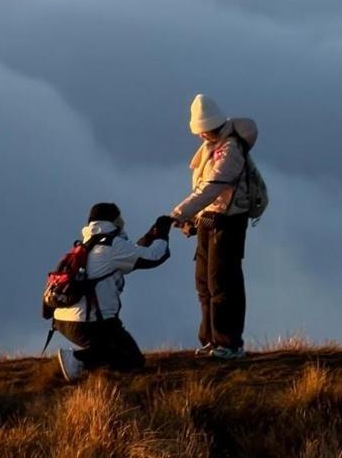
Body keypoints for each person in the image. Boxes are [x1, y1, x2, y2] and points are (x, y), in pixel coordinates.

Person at [170, 94, 257, 360]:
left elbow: (212, 187)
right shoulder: (216, 146)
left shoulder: (229, 149)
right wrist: (193, 217)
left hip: (227, 223)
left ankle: (228, 343)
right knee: (205, 283)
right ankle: (211, 340)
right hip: (210, 220)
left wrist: (179, 212)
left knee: (222, 283)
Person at [55, 203, 172, 381]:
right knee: (128, 359)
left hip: (65, 319)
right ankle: (78, 359)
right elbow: (154, 256)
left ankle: (87, 366)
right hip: (90, 322)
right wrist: (163, 232)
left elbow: (133, 253)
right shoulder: (113, 246)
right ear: (115, 220)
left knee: (133, 359)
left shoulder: (88, 244)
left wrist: (150, 235)